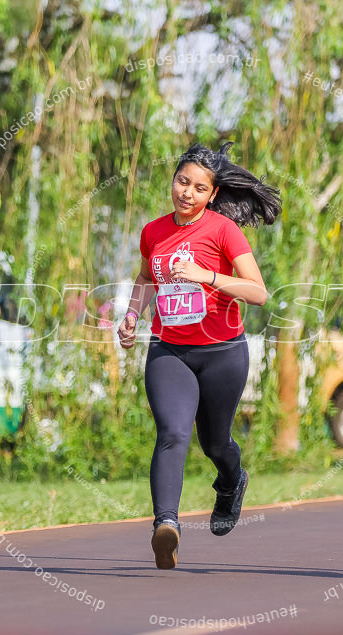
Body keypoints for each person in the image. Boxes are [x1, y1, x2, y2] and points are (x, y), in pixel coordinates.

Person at [116, 142, 280, 570]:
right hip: (169, 350)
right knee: (171, 433)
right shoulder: (153, 231)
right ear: (173, 181)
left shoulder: (224, 231)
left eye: (199, 187)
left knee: (215, 442)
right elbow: (144, 275)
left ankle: (231, 481)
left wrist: (205, 274)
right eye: (182, 181)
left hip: (223, 353)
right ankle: (165, 526)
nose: (187, 192)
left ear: (212, 194)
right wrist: (133, 314)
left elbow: (258, 293)